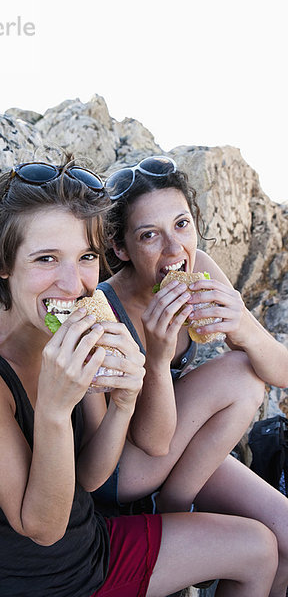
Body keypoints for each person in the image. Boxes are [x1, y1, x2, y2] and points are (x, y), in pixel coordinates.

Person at [0, 158, 278, 597]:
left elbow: (92, 478)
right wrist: (56, 409)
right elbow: (42, 527)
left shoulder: (61, 339)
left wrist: (125, 400)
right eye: (46, 259)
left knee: (260, 549)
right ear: (0, 260)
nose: (73, 283)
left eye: (86, 257)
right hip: (41, 583)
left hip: (91, 546)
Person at [93, 154, 288, 596]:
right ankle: (176, 508)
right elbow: (150, 441)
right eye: (149, 236)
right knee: (240, 375)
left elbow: (281, 370)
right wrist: (158, 360)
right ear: (121, 249)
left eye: (181, 225)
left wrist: (242, 326)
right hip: (122, 467)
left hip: (176, 449)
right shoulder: (106, 309)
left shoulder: (196, 266)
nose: (173, 249)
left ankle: (177, 501)